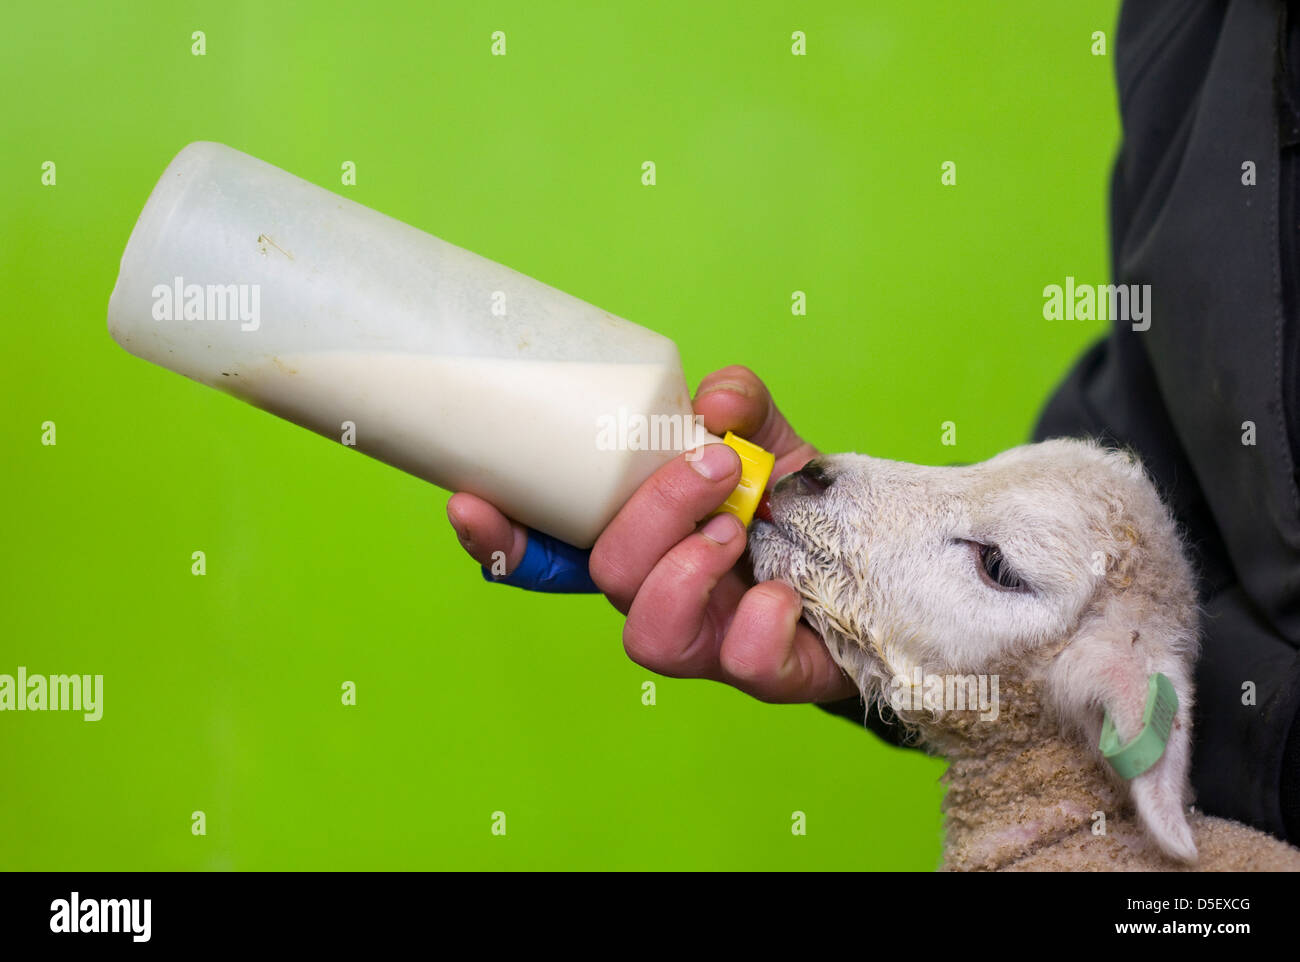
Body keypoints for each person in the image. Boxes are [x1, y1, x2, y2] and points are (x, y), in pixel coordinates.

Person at [447, 0, 1300, 844]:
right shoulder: (1191, 21)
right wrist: (851, 633)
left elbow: (1082, 601)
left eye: (997, 564)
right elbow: (1154, 476)